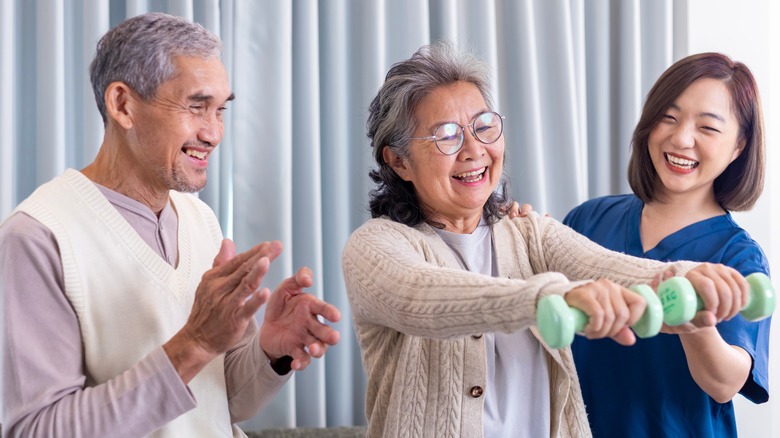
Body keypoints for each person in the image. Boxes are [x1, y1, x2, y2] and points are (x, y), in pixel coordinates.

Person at [341, 41, 750, 438]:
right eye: (446, 136)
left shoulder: (529, 232)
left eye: (483, 126)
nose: (473, 149)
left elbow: (615, 269)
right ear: (398, 161)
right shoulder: (375, 247)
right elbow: (424, 298)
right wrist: (548, 299)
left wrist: (688, 277)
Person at [0, 12, 340, 437]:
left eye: (220, 111)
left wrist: (269, 351)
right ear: (123, 105)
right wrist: (194, 343)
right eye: (197, 106)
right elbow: (37, 430)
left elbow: (220, 401)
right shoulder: (39, 235)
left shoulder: (200, 219)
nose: (214, 133)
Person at [563, 53, 771, 437]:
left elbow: (726, 383)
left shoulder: (738, 256)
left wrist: (696, 327)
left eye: (708, 128)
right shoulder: (588, 219)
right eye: (669, 117)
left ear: (739, 145)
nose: (681, 139)